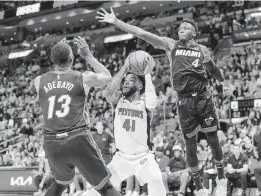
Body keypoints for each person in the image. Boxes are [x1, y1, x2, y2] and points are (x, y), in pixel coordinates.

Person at [96, 8, 233, 196]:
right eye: (180, 28)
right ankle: (199, 188)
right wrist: (116, 22)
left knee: (213, 138)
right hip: (184, 101)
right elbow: (142, 33)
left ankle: (221, 178)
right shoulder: (171, 45)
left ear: (195, 32)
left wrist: (224, 82)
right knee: (190, 146)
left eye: (186, 27)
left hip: (203, 97)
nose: (181, 30)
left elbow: (214, 69)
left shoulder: (202, 50)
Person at [33, 37, 122, 196]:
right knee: (106, 188)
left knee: (60, 184)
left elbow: (52, 75)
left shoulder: (38, 81)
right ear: (72, 58)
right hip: (77, 137)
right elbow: (108, 77)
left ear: (53, 59)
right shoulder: (83, 77)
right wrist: (88, 55)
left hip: (51, 141)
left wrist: (59, 48)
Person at [87, 52, 166, 196]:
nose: (126, 82)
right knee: (96, 191)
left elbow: (153, 102)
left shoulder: (144, 104)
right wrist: (125, 67)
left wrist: (147, 74)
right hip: (121, 159)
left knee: (156, 179)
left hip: (143, 158)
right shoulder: (118, 100)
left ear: (140, 85)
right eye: (126, 80)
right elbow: (109, 91)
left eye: (131, 80)